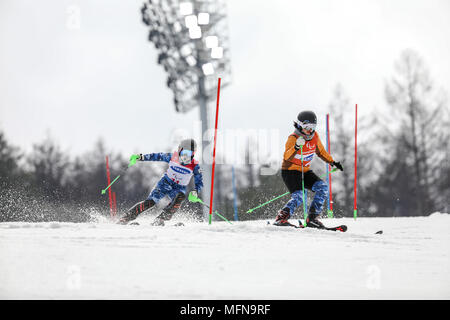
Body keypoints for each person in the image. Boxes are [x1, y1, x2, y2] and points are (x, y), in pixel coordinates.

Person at [275, 110, 343, 228]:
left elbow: (320, 152)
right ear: (300, 125)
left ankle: (312, 218)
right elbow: (287, 156)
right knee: (300, 196)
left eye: (313, 127)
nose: (310, 130)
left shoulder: (314, 137)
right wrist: (296, 147)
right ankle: (281, 218)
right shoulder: (293, 138)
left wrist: (332, 162)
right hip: (290, 171)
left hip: (305, 171)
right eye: (307, 127)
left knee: (322, 188)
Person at [118, 138, 203, 226]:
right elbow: (157, 156)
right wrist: (141, 157)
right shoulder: (173, 157)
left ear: (193, 154)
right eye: (184, 152)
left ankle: (161, 218)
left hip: (178, 188)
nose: (186, 156)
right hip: (165, 183)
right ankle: (126, 217)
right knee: (151, 202)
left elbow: (199, 181)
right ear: (179, 150)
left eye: (189, 154)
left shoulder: (195, 166)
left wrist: (196, 192)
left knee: (180, 197)